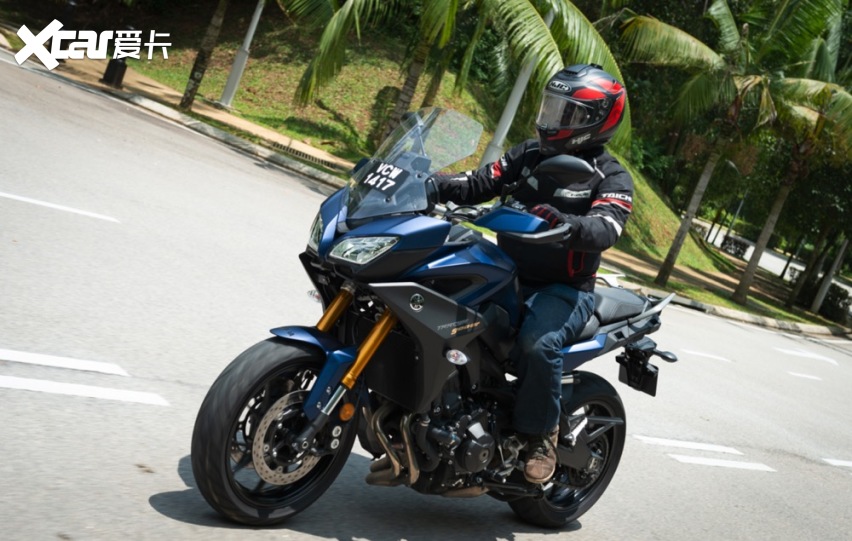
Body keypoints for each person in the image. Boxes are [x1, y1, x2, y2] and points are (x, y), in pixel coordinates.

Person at [430, 64, 634, 484]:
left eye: (568, 113)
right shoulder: (528, 154)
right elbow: (480, 182)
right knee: (437, 304)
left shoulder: (611, 176)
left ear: (598, 121)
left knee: (538, 345)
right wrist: (429, 183)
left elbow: (606, 228)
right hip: (503, 272)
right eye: (552, 107)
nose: (553, 119)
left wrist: (566, 224)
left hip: (562, 290)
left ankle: (541, 436)